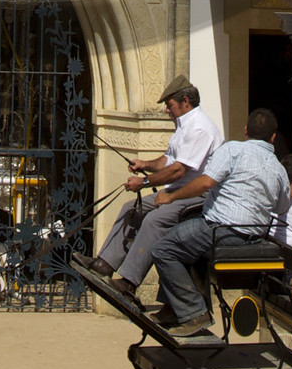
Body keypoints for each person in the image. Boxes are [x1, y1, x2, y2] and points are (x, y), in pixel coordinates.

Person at [150, 109, 292, 335]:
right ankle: (173, 309)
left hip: (221, 230)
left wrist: (171, 196)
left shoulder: (232, 149)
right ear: (273, 137)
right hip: (253, 237)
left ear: (245, 130)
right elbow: (281, 208)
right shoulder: (279, 169)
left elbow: (206, 183)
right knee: (186, 240)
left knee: (162, 249)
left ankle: (194, 313)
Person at [88, 74, 221, 296]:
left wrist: (143, 182)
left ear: (185, 101)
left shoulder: (199, 128)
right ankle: (105, 264)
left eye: (170, 105)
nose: (167, 110)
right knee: (131, 208)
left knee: (154, 220)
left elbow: (178, 170)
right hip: (179, 191)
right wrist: (144, 164)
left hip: (197, 195)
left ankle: (129, 282)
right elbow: (167, 161)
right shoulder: (183, 126)